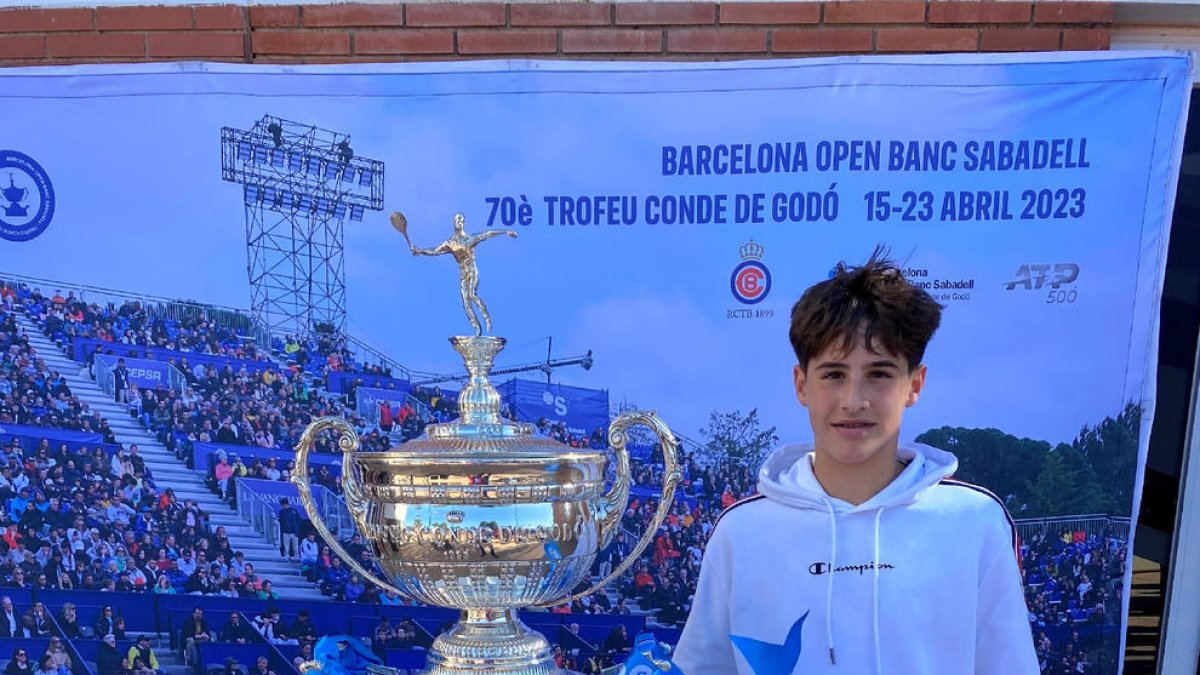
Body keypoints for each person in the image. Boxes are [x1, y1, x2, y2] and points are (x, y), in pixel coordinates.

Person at [673, 251, 1039, 675]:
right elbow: (703, 667)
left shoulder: (975, 522)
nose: (854, 400)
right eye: (833, 374)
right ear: (801, 384)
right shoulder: (741, 532)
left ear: (914, 385)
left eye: (879, 374)